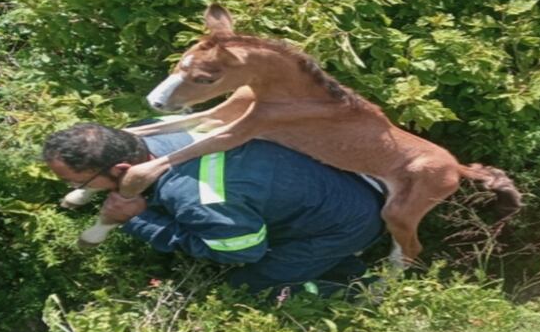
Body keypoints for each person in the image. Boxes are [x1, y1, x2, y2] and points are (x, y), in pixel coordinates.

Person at [43, 122, 387, 297]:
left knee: (248, 288)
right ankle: (338, 266)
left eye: (82, 183)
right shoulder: (157, 131)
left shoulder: (200, 197)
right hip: (341, 191)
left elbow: (243, 250)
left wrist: (138, 220)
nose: (78, 191)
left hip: (341, 225)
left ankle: (354, 292)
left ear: (119, 169)